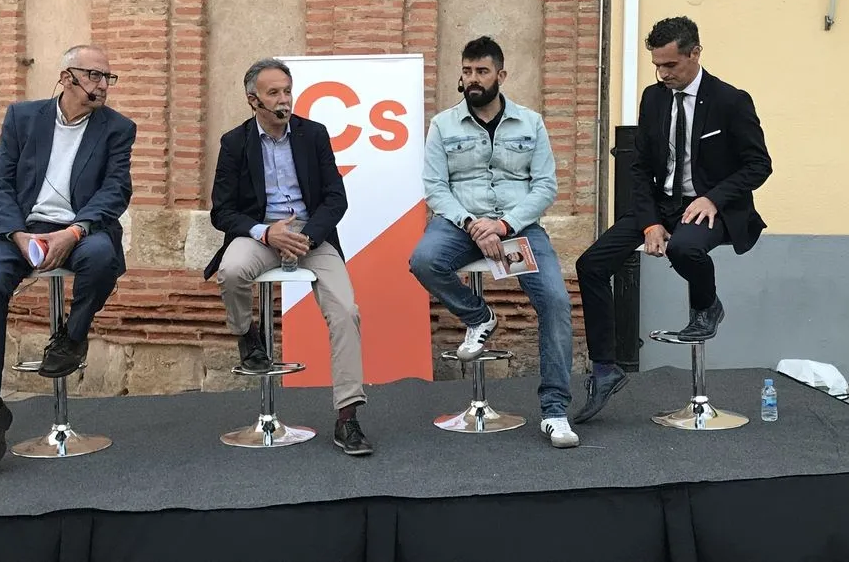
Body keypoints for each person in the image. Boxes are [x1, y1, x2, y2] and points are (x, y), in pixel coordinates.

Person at [573, 16, 772, 424]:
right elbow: (641, 167)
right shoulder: (654, 97)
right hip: (658, 204)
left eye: (671, 66)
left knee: (684, 246)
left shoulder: (731, 101)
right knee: (590, 265)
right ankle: (606, 369)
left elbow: (759, 165)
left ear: (695, 54)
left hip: (710, 205)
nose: (663, 75)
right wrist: (648, 222)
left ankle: (707, 307)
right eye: (657, 66)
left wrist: (714, 197)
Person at [0, 45, 136, 469]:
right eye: (94, 76)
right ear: (66, 77)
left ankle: (71, 338)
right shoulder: (22, 118)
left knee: (100, 256)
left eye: (107, 78)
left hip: (81, 229)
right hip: (18, 229)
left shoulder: (118, 128)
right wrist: (18, 234)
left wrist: (74, 231)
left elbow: (116, 190)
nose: (102, 85)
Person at [409, 36, 579, 449]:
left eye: (482, 71)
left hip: (518, 228)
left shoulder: (530, 123)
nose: (473, 79)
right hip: (459, 225)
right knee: (424, 260)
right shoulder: (443, 125)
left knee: (556, 301)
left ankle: (555, 411)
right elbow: (435, 186)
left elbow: (545, 186)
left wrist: (504, 225)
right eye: (467, 71)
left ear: (500, 75)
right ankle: (479, 316)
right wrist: (472, 224)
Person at [203, 58, 373, 456]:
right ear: (253, 100)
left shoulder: (314, 135)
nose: (284, 100)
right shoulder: (234, 143)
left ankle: (347, 417)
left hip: (311, 237)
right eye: (274, 93)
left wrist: (307, 238)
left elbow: (336, 198)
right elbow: (221, 211)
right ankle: (247, 335)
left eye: (287, 91)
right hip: (260, 234)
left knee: (347, 311)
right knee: (231, 270)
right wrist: (266, 232)